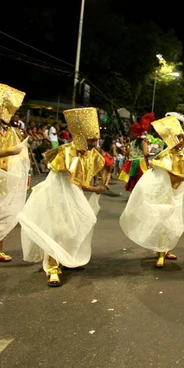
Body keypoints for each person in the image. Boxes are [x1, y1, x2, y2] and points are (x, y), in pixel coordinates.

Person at [17, 107, 105, 287]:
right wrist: (94, 188)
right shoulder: (65, 152)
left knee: (77, 226)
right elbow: (76, 179)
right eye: (92, 139)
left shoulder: (89, 152)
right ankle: (53, 268)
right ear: (81, 138)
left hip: (73, 194)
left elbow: (83, 177)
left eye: (96, 138)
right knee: (56, 229)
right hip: (57, 194)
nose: (96, 142)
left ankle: (67, 258)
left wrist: (92, 187)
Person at [119, 115, 184, 268]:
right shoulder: (164, 156)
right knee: (163, 223)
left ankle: (165, 250)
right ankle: (160, 253)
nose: (181, 141)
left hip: (177, 194)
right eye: (177, 137)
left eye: (182, 137)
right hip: (164, 195)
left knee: (173, 223)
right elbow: (173, 178)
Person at [0, 84, 30, 262]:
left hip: (5, 176)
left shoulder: (10, 130)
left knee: (2, 211)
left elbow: (21, 153)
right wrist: (9, 152)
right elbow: (11, 151)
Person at [119, 113, 154, 191]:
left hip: (133, 163)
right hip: (141, 163)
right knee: (143, 182)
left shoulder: (133, 142)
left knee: (134, 182)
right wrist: (154, 153)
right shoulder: (144, 142)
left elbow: (127, 153)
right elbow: (146, 153)